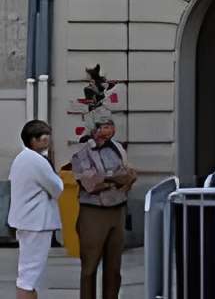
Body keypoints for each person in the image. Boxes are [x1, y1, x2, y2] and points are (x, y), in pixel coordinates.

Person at [68, 118, 133, 299]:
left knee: (114, 268)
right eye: (104, 126)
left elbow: (129, 175)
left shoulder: (118, 149)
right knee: (89, 267)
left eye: (111, 126)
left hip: (118, 209)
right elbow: (90, 183)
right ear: (94, 130)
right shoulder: (82, 153)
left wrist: (109, 179)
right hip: (93, 212)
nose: (108, 130)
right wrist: (114, 179)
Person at [6, 120, 63, 299]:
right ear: (34, 140)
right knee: (29, 278)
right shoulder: (36, 161)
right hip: (36, 223)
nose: (48, 141)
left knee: (28, 275)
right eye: (44, 138)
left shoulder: (22, 158)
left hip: (26, 221)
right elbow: (57, 188)